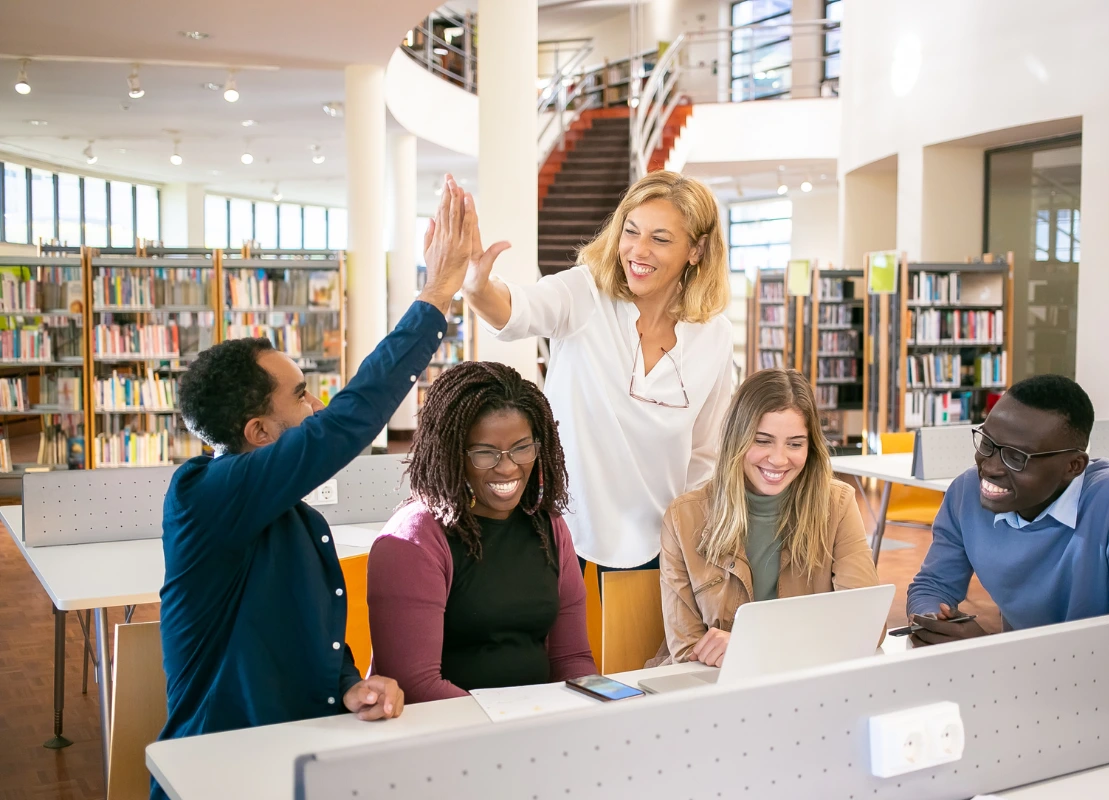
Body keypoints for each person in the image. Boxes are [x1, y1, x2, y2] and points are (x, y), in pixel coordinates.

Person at [152, 177, 475, 796]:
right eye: (301, 395)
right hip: (222, 773)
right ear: (260, 431)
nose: (317, 404)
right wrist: (436, 294)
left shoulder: (295, 518)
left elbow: (301, 632)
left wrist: (350, 684)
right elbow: (347, 421)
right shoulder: (203, 495)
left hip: (301, 758)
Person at [461, 170, 734, 585]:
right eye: (631, 231)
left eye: (660, 239)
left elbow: (706, 455)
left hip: (661, 547)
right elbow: (521, 309)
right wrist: (478, 289)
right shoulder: (586, 294)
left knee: (640, 652)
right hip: (564, 537)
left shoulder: (713, 334)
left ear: (696, 251)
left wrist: (694, 544)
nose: (638, 251)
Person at [368, 361, 595, 702]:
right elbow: (415, 686)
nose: (507, 467)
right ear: (451, 453)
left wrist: (602, 705)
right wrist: (512, 726)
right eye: (485, 453)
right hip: (451, 736)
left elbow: (571, 659)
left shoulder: (549, 527)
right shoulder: (413, 539)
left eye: (522, 448)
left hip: (535, 727)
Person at [906, 374, 1109, 646]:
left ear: (1073, 466)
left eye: (1016, 457)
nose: (990, 467)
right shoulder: (966, 492)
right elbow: (933, 585)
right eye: (987, 443)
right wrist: (932, 619)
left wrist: (988, 649)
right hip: (1021, 679)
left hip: (1106, 680)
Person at [657, 369, 880, 666]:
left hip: (806, 682)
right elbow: (687, 652)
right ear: (738, 439)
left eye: (795, 444)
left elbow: (867, 626)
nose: (778, 459)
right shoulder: (683, 518)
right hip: (715, 689)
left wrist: (753, 646)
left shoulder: (837, 505)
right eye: (763, 441)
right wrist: (797, 643)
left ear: (810, 447)